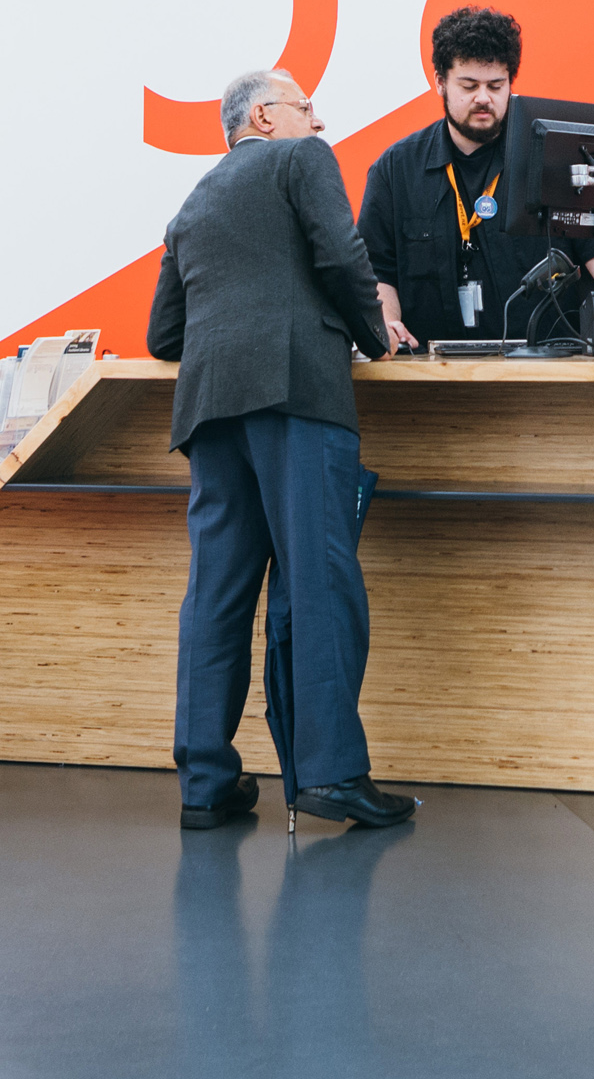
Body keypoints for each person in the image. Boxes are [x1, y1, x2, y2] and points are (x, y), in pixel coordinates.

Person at [146, 66, 416, 831]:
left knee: (216, 595)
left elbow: (164, 334)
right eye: (305, 107)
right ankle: (331, 775)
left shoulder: (193, 204)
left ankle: (205, 785)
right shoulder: (302, 160)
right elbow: (341, 256)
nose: (318, 122)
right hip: (296, 394)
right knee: (320, 580)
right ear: (264, 116)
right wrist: (376, 335)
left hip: (210, 414)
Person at [357, 7, 594, 351]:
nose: (483, 98)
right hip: (430, 372)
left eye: (495, 86)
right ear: (440, 83)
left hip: (549, 370)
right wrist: (386, 328)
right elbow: (376, 272)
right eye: (469, 85)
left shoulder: (558, 161)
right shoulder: (395, 170)